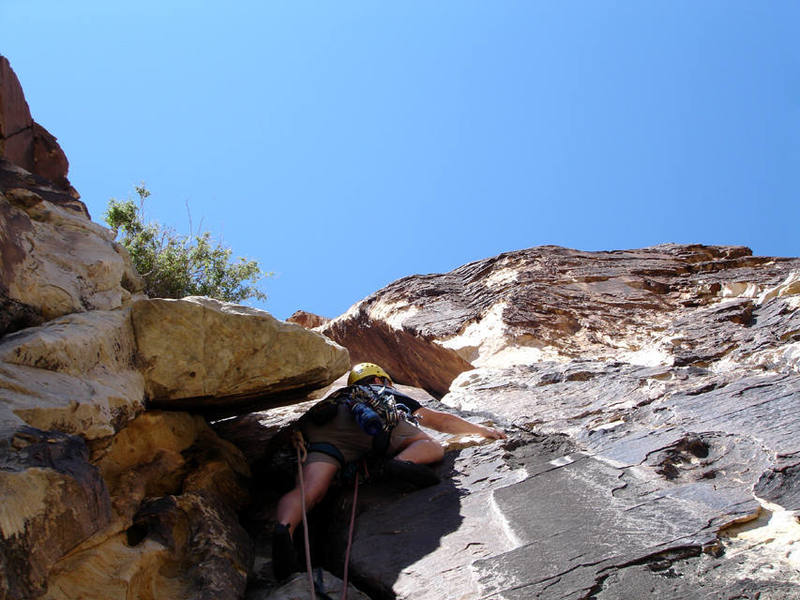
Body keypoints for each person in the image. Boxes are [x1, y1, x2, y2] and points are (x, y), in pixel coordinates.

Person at [272, 362, 506, 579]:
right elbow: (439, 421)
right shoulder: (380, 391)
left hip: (324, 431)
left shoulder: (335, 398)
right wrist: (480, 430)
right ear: (379, 379)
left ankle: (284, 527)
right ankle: (400, 462)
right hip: (375, 422)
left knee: (310, 491)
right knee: (430, 446)